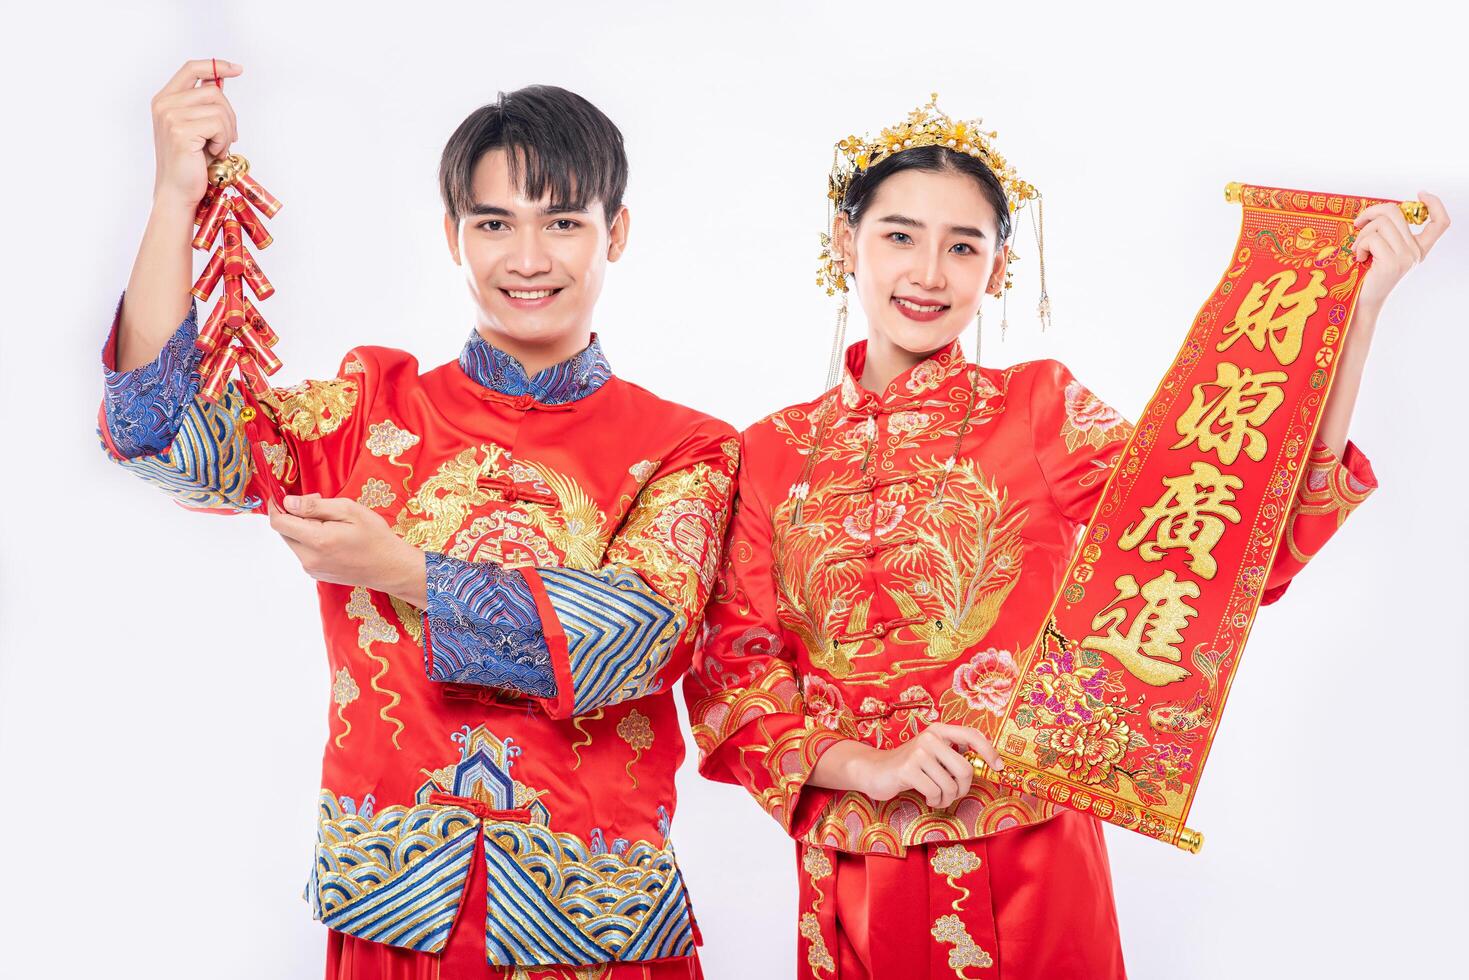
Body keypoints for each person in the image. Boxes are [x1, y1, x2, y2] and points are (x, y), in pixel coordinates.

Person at [684, 97, 1448, 978]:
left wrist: (1356, 315)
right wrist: (871, 765)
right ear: (842, 243)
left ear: (997, 268)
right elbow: (734, 675)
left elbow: (1231, 546)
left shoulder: (1039, 408)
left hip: (1031, 862)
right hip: (852, 872)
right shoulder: (767, 452)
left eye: (963, 245)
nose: (928, 271)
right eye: (898, 236)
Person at [98, 60, 736, 979]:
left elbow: (636, 638)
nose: (527, 258)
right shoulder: (370, 411)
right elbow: (156, 433)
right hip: (397, 902)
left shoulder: (684, 446)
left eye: (562, 222)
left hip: (592, 912)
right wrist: (173, 194)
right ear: (452, 235)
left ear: (616, 232)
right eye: (493, 223)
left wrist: (407, 573)